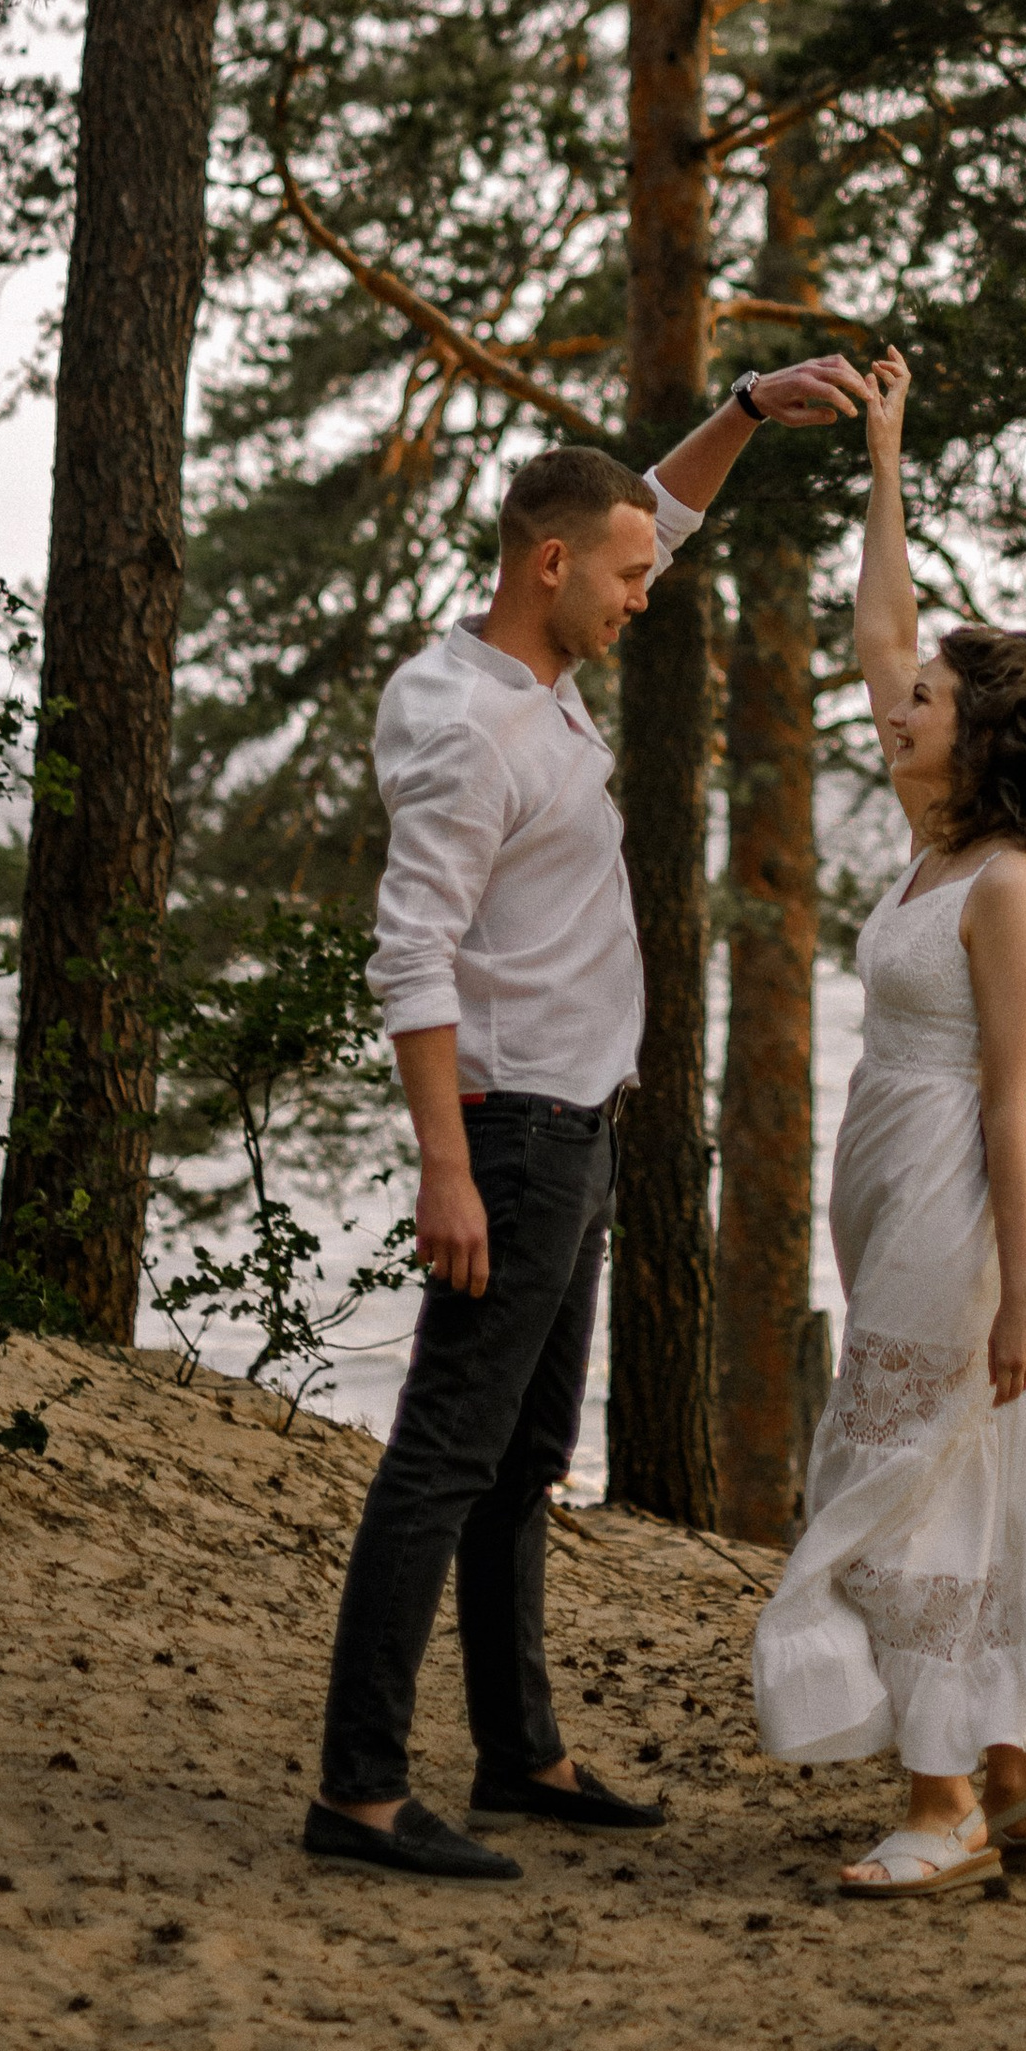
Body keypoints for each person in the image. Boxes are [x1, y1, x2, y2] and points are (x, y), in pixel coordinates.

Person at [306, 360, 869, 1881]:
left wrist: (746, 408)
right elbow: (408, 946)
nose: (648, 595)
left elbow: (660, 513)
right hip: (511, 1138)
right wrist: (447, 1166)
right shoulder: (472, 730)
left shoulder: (523, 673)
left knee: (521, 1455)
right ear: (551, 564)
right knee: (445, 1454)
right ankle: (357, 1791)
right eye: (625, 576)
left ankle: (519, 1749)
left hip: (575, 1127)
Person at [750, 346, 1026, 1894]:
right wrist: (888, 460)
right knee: (949, 1472)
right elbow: (878, 625)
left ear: (977, 735)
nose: (897, 703)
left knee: (893, 1473)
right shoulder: (925, 841)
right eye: (907, 696)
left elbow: (1011, 1100)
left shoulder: (1007, 884)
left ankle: (941, 1803)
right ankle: (1020, 1774)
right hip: (882, 1182)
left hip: (956, 1206)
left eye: (925, 702)